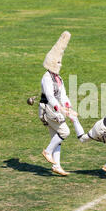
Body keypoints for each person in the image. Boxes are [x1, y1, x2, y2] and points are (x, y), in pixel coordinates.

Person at [39, 31, 85, 176]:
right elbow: (50, 96)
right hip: (48, 109)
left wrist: (68, 106)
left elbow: (63, 95)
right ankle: (47, 151)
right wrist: (61, 110)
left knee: (56, 138)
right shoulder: (46, 77)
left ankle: (57, 166)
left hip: (55, 108)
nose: (60, 64)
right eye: (58, 62)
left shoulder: (59, 78)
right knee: (65, 132)